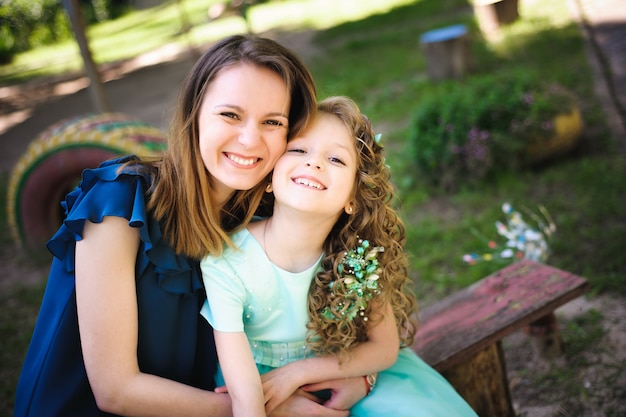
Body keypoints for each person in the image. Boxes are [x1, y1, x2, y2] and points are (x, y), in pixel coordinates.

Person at [14, 35, 368, 417]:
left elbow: (338, 307)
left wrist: (357, 376)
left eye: (272, 122)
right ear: (194, 113)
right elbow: (114, 390)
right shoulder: (118, 202)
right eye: (230, 115)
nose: (249, 140)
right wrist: (271, 410)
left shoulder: (265, 207)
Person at [200, 96, 479, 416]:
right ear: (268, 180)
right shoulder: (227, 259)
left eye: (336, 159)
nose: (314, 163)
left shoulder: (358, 257)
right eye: (299, 150)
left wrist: (300, 373)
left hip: (348, 370)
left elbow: (384, 347)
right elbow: (243, 390)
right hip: (262, 390)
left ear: (353, 198)